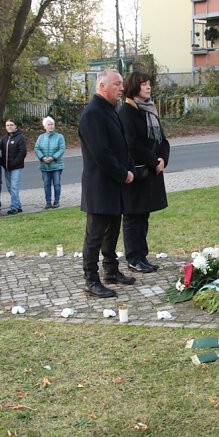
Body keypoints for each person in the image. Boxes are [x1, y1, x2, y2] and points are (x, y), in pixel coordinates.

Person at [77, 70, 136, 298]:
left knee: (112, 230)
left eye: (121, 84)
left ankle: (111, 270)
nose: (122, 88)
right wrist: (123, 174)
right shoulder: (92, 113)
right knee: (95, 235)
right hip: (100, 185)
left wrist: (129, 167)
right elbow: (101, 153)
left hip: (114, 184)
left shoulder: (110, 110)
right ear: (102, 86)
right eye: (117, 84)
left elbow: (122, 145)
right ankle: (91, 279)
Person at [118, 71, 170, 273]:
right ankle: (133, 257)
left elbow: (162, 140)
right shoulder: (127, 112)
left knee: (144, 215)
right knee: (133, 216)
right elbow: (131, 144)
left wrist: (163, 158)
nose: (148, 87)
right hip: (137, 172)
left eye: (149, 83)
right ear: (134, 87)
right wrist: (152, 160)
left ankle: (142, 255)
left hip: (152, 171)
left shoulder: (150, 110)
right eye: (144, 84)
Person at [34, 116, 65, 209]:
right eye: (49, 124)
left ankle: (56, 201)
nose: (51, 126)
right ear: (45, 126)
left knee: (57, 184)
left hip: (56, 165)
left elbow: (61, 149)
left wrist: (53, 157)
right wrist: (42, 158)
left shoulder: (59, 137)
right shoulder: (41, 137)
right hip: (44, 165)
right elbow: (37, 148)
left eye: (52, 124)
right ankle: (48, 202)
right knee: (46, 184)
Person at [0, 119, 26, 215]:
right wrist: (2, 162)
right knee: (10, 187)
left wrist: (15, 162)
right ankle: (18, 205)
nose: (9, 127)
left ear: (15, 126)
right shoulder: (5, 139)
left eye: (11, 125)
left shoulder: (20, 138)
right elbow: (1, 151)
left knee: (14, 187)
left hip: (16, 167)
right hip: (7, 167)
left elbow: (22, 152)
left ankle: (13, 207)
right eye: (7, 125)